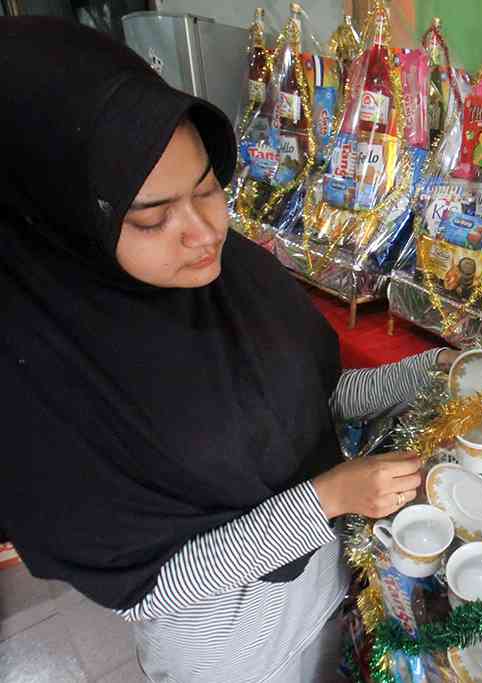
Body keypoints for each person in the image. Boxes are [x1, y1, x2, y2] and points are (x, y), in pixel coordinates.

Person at [0, 18, 455, 682]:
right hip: (223, 645)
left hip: (320, 583)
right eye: (154, 219)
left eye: (208, 188)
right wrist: (324, 499)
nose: (204, 232)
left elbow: (304, 398)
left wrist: (426, 372)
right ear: (69, 221)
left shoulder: (234, 279)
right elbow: (150, 588)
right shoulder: (42, 385)